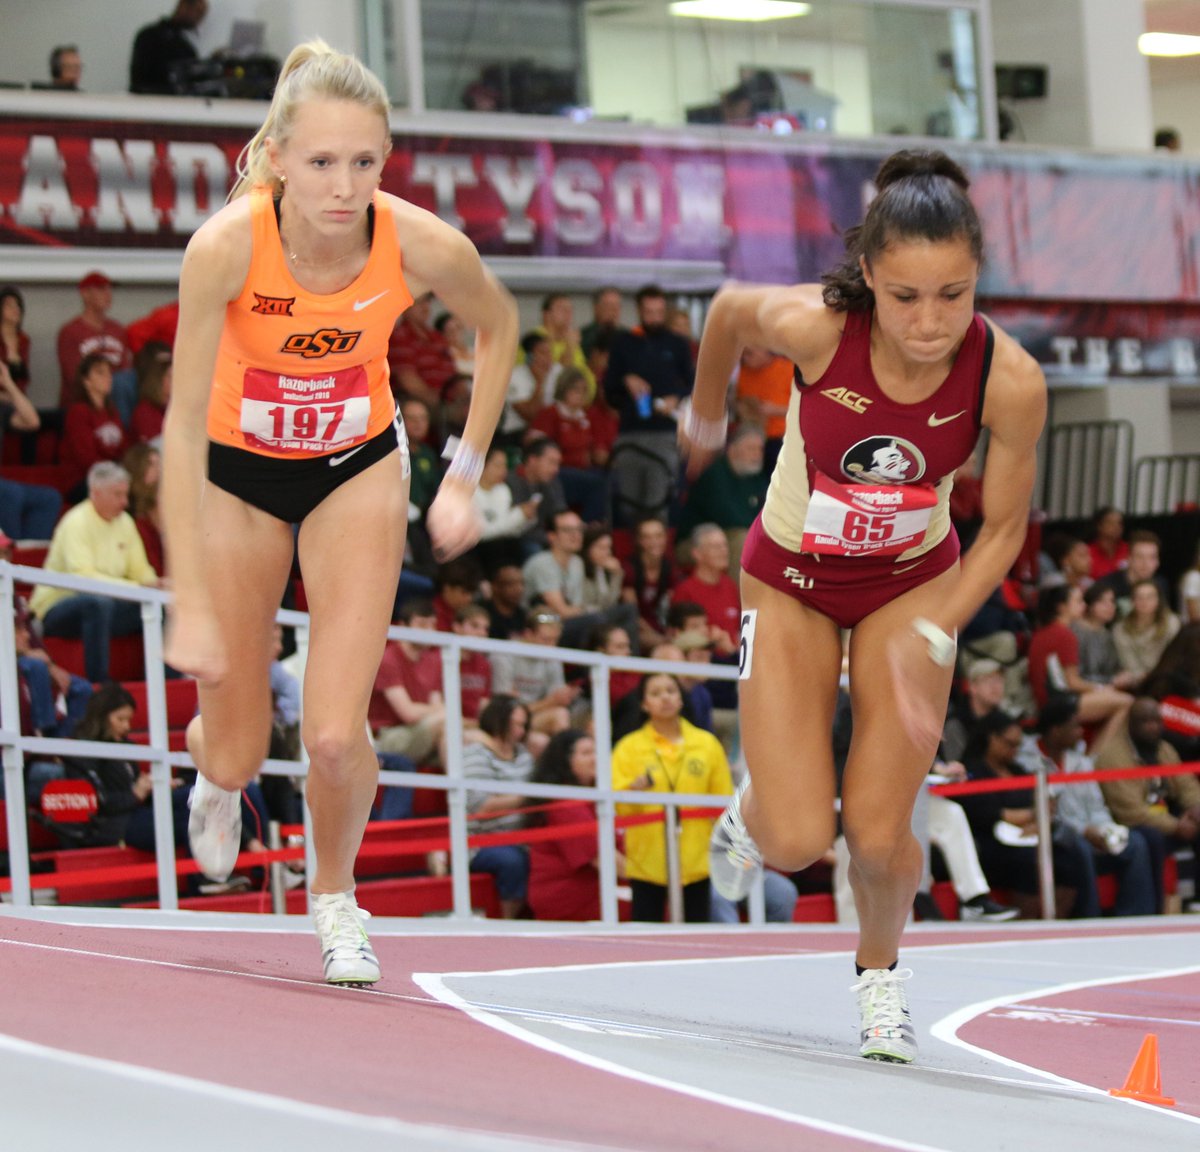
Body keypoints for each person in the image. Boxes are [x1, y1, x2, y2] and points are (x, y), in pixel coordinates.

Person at [160, 41, 517, 987]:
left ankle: (334, 897)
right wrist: (188, 597)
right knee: (236, 753)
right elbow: (180, 430)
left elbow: (500, 323)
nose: (344, 185)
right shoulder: (226, 247)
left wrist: (464, 472)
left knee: (330, 733)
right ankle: (211, 772)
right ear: (277, 156)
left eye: (365, 162)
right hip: (235, 478)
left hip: (355, 468)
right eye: (321, 162)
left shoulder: (420, 241)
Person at [686, 150, 1047, 1064]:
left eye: (954, 296)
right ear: (870, 282)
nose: (930, 323)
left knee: (881, 835)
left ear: (977, 282)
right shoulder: (816, 328)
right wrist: (707, 413)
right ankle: (751, 810)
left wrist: (937, 626)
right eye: (906, 298)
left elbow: (1003, 529)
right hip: (792, 580)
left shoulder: (1009, 379)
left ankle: (881, 980)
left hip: (912, 583)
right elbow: (728, 311)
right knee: (798, 836)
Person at [611, 672, 733, 923]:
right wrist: (633, 791)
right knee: (647, 934)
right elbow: (619, 806)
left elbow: (723, 800)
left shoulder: (706, 744)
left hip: (696, 856)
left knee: (696, 932)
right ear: (644, 704)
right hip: (648, 857)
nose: (665, 697)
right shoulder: (628, 747)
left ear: (680, 698)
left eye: (670, 691)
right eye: (655, 693)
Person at [1023, 694, 1157, 917]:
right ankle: (1090, 918)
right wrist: (1085, 831)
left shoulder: (1081, 762)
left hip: (1092, 831)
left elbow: (1096, 806)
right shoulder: (1028, 763)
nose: (1080, 732)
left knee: (1136, 842)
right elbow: (1046, 813)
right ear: (1056, 730)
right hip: (1057, 838)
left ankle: (1134, 915)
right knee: (1080, 848)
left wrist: (1104, 830)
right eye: (1074, 727)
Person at [958, 710, 1097, 920]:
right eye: (1009, 744)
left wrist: (1036, 822)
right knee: (1028, 862)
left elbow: (1047, 805)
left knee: (1069, 858)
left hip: (1032, 836)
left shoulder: (1019, 770)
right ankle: (1025, 924)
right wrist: (1033, 815)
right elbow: (990, 814)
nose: (1015, 750)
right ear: (992, 738)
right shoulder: (974, 771)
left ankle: (1058, 922)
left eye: (1018, 745)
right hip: (991, 841)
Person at [30, 462, 160, 683]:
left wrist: (155, 585)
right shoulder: (75, 522)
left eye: (125, 495)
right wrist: (138, 589)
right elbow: (83, 579)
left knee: (161, 605)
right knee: (97, 603)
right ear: (95, 493)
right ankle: (99, 681)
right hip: (56, 608)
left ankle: (163, 678)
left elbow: (140, 570)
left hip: (108, 602)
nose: (124, 502)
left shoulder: (125, 522)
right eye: (118, 495)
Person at [1094, 697, 1200, 912]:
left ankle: (1196, 900)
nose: (1152, 727)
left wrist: (1196, 809)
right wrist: (1176, 826)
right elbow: (1130, 811)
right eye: (1145, 721)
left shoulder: (1164, 750)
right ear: (1131, 723)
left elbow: (1186, 784)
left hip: (1166, 817)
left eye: (1156, 721)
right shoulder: (1113, 757)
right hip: (1133, 823)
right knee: (1150, 838)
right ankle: (1154, 910)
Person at [604, 285, 694, 525]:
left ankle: (657, 555)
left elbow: (693, 383)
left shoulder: (677, 344)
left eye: (659, 311)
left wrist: (676, 397)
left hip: (665, 432)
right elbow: (609, 391)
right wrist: (626, 379)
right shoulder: (623, 342)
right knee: (629, 503)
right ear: (639, 310)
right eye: (649, 311)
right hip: (631, 431)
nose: (654, 316)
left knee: (659, 501)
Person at [527, 729, 619, 921]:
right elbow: (604, 860)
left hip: (597, 889)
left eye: (596, 752)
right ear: (565, 761)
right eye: (586, 753)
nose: (595, 759)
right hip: (571, 898)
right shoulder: (565, 805)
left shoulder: (592, 798)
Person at [1026, 584, 1132, 749]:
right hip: (1058, 702)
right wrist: (1102, 688)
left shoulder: (1043, 632)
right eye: (1078, 601)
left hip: (1045, 700)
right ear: (1062, 607)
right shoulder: (1065, 635)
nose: (1083, 605)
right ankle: (1095, 758)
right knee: (1126, 702)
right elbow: (1072, 683)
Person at [462, 695, 536, 918]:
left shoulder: (523, 755)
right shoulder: (476, 754)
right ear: (498, 720)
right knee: (511, 860)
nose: (521, 731)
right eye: (515, 724)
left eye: (524, 725)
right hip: (481, 842)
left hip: (523, 837)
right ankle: (509, 920)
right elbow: (481, 808)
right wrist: (524, 798)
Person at [60, 353, 132, 501]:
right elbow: (86, 457)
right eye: (100, 373)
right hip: (83, 480)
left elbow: (123, 447)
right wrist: (117, 472)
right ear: (86, 381)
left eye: (109, 373)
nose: (108, 377)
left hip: (112, 475)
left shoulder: (112, 411)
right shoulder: (78, 412)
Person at [55, 271, 132, 407]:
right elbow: (74, 378)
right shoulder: (70, 332)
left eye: (110, 289)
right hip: (82, 406)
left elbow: (125, 370)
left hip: (115, 404)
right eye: (101, 289)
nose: (108, 295)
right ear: (85, 294)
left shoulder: (117, 330)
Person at [129, 0, 209, 95]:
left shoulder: (185, 46)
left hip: (171, 104)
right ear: (183, 6)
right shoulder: (150, 36)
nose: (199, 20)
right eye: (199, 12)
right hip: (148, 102)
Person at [1112, 579, 1180, 687]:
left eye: (1150, 597)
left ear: (1158, 600)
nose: (1144, 602)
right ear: (1132, 601)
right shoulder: (1120, 629)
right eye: (1139, 597)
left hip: (1168, 678)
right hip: (1137, 681)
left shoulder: (1172, 622)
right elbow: (1130, 665)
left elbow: (1176, 658)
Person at [1086, 506, 1127, 582]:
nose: (1116, 527)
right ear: (1099, 526)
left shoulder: (1129, 550)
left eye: (1119, 523)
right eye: (1110, 523)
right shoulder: (1087, 552)